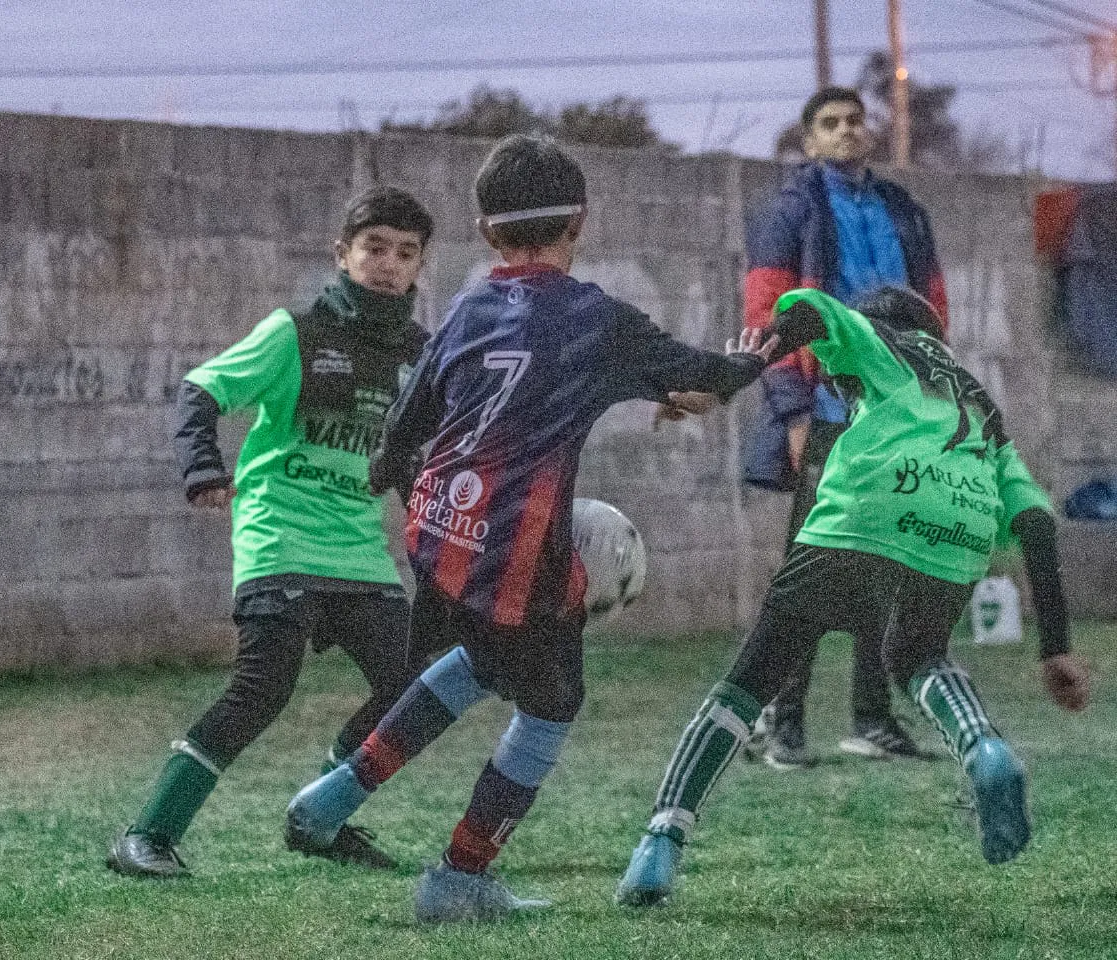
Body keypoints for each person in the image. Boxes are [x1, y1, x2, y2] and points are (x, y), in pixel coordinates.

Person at [282, 133, 776, 924]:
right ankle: (457, 881)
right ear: (577, 223)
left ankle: (328, 800)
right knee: (551, 703)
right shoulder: (593, 319)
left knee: (476, 662)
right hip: (518, 553)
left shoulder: (470, 306)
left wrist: (409, 490)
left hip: (442, 531)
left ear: (484, 232)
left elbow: (407, 423)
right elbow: (702, 375)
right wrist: (757, 356)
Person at [615, 286, 1091, 908]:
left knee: (752, 678)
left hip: (863, 511)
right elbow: (1035, 523)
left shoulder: (881, 342)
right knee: (917, 655)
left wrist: (730, 378)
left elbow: (806, 313)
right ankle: (986, 749)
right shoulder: (979, 404)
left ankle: (660, 841)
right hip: (957, 529)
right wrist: (1054, 648)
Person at [106, 186, 443, 878]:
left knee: (413, 683)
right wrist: (203, 468)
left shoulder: (420, 354)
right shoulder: (295, 333)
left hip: (358, 552)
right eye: (374, 247)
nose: (388, 264)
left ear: (418, 267)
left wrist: (433, 529)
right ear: (342, 255)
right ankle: (147, 836)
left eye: (405, 253)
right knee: (264, 689)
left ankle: (319, 816)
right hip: (280, 540)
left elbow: (412, 457)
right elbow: (199, 390)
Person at [741, 86, 951, 768]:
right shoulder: (793, 208)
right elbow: (767, 310)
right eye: (830, 124)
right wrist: (792, 410)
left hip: (896, 415)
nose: (847, 131)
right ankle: (782, 721)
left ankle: (873, 719)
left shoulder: (900, 209)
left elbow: (934, 305)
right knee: (811, 569)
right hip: (827, 410)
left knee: (887, 565)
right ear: (809, 142)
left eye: (856, 121)